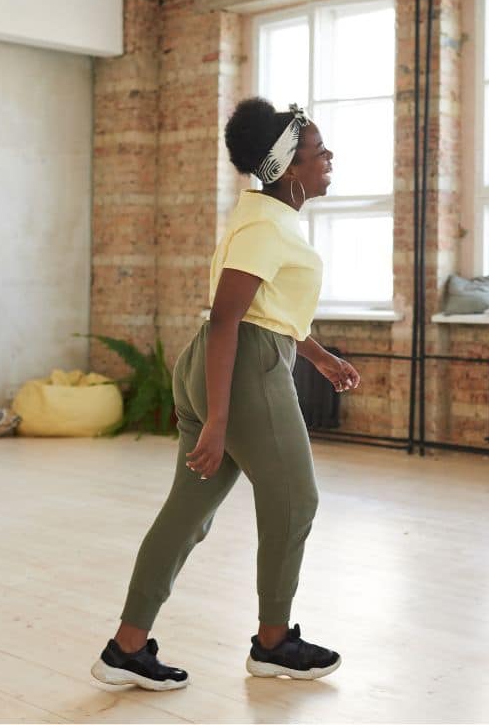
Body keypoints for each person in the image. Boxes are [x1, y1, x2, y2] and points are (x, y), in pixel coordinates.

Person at [90, 98, 360, 690]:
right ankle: (273, 643)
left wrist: (317, 355)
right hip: (241, 371)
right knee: (296, 501)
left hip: (235, 364)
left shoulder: (266, 218)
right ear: (289, 167)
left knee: (187, 515)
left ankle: (126, 649)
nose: (328, 158)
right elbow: (227, 319)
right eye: (318, 152)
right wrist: (218, 420)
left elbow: (268, 309)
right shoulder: (265, 225)